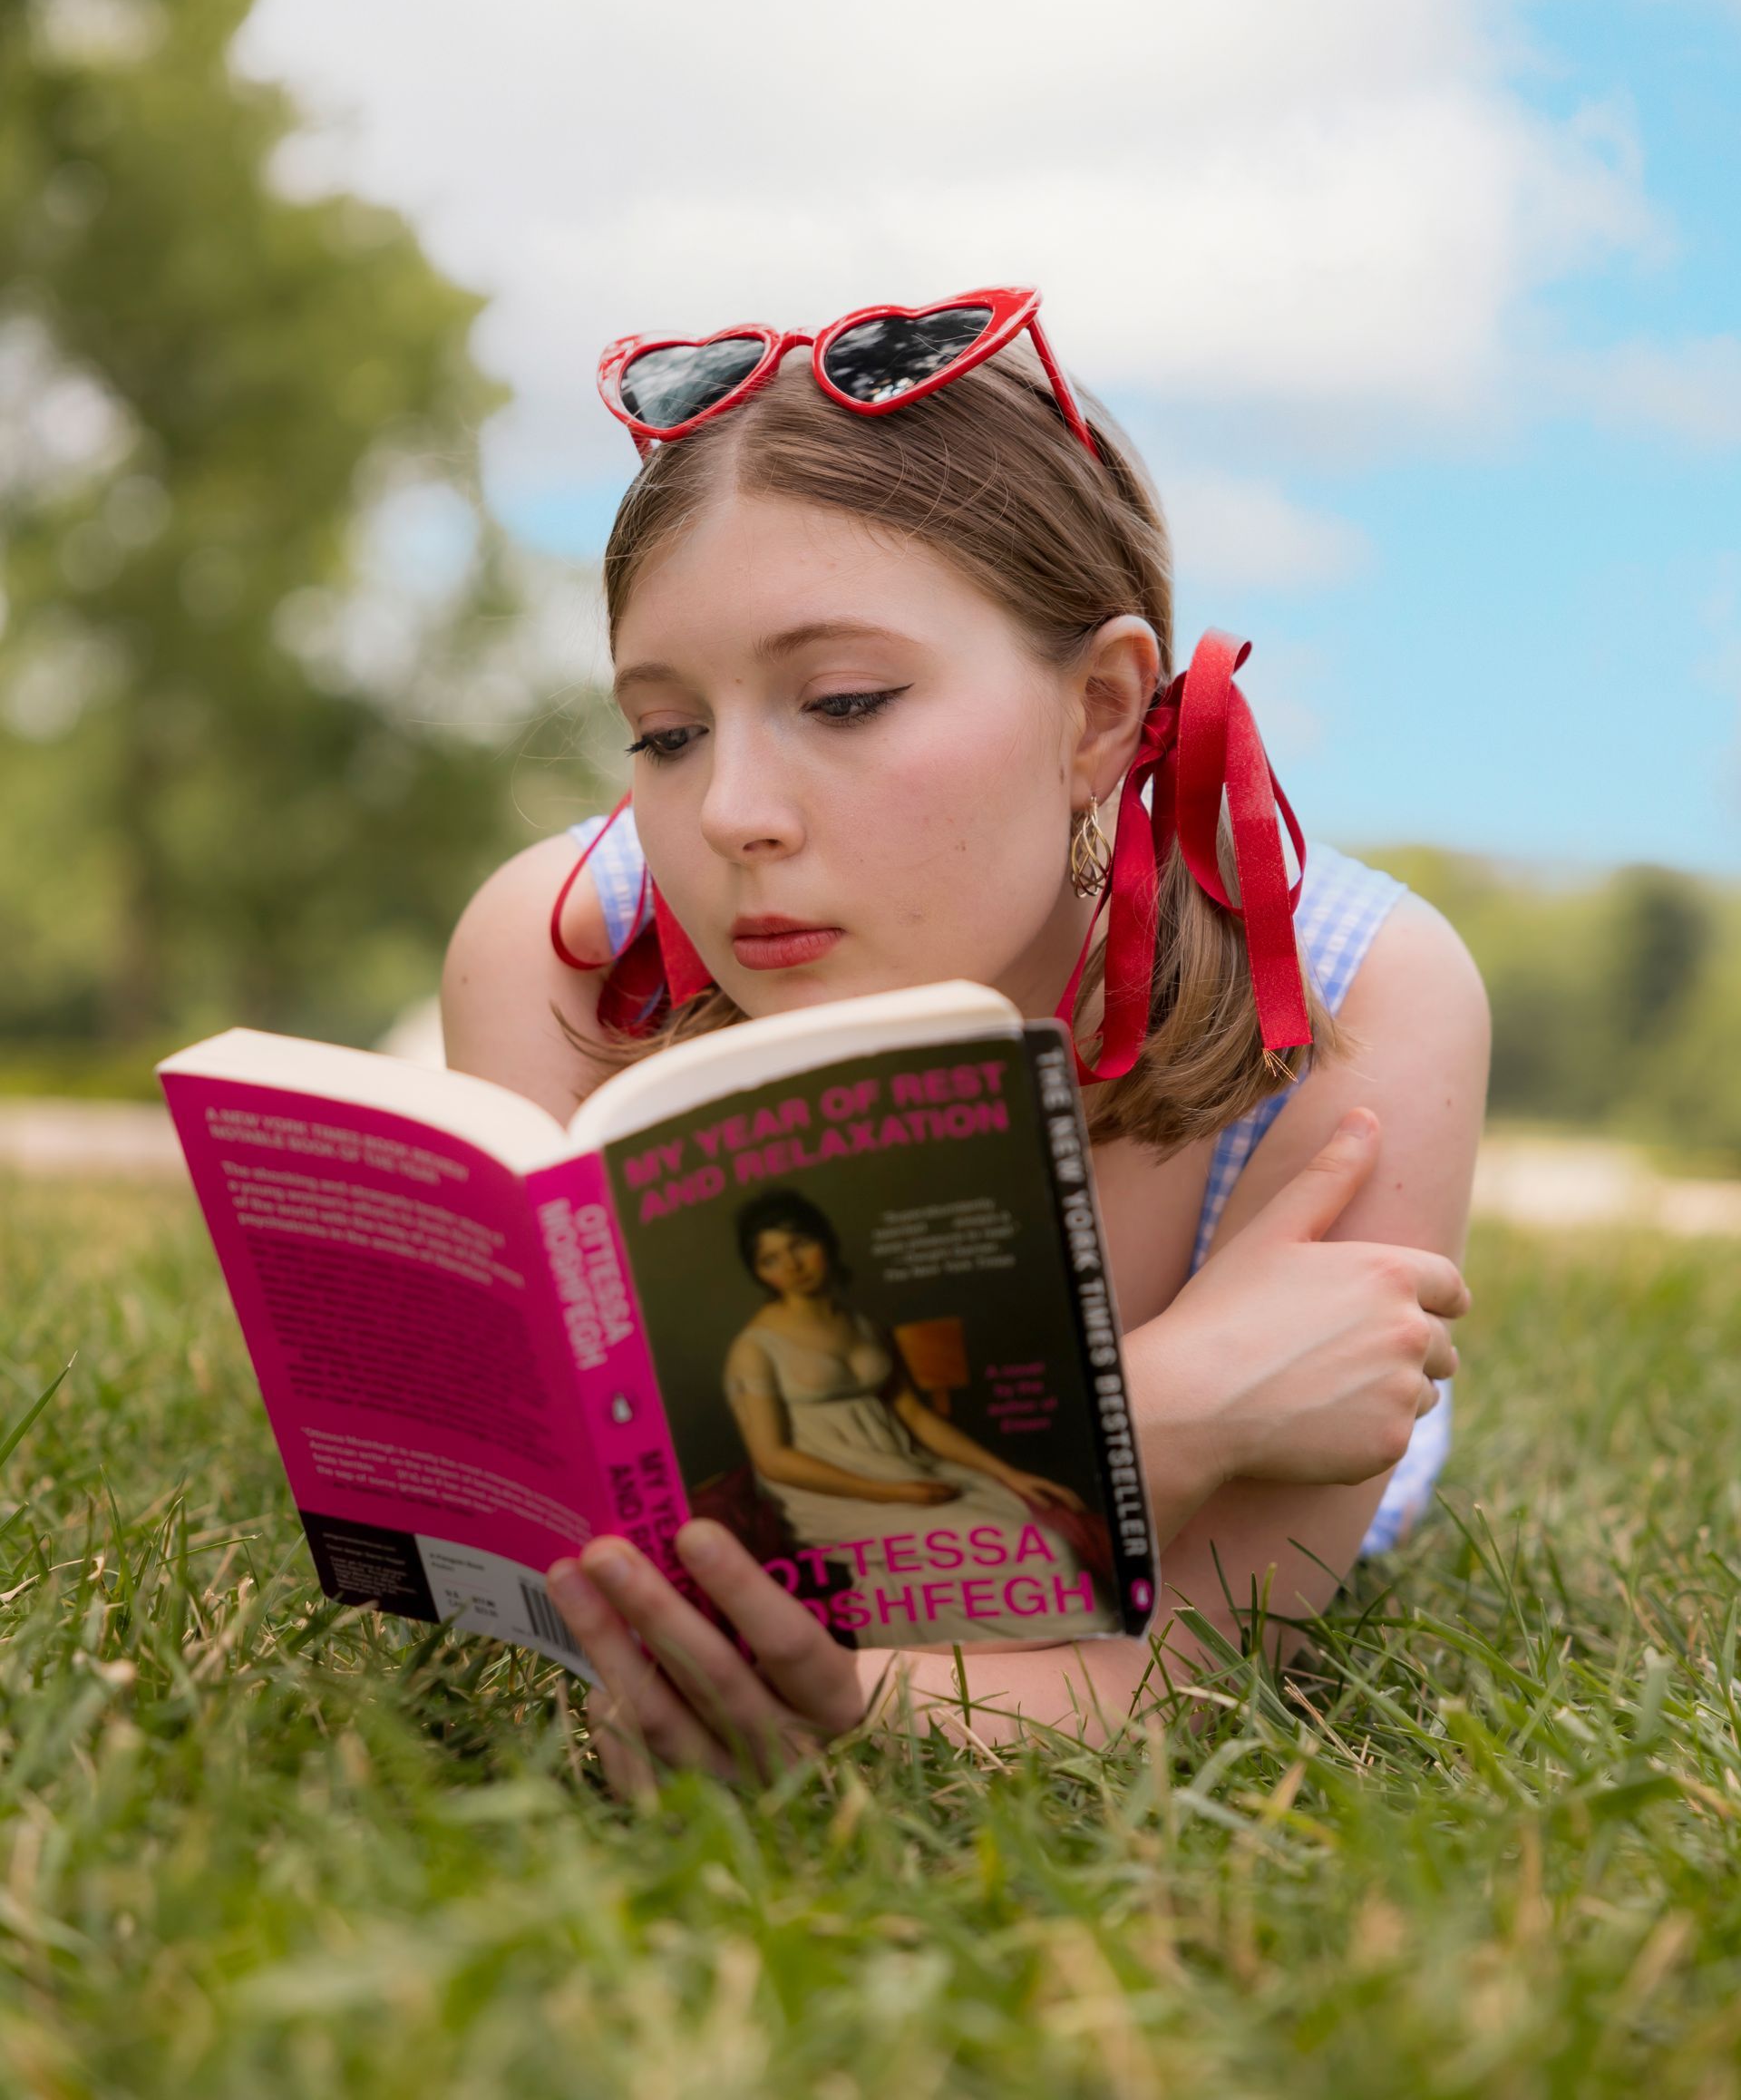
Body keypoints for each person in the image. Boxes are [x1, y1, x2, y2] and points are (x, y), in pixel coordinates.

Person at [443, 290, 1487, 1793]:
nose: (732, 811)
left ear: (1101, 713)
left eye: (845, 700)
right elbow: (607, 1566)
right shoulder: (566, 951)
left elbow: (1190, 1661)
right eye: (666, 732)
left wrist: (855, 1713)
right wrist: (1168, 1409)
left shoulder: (1350, 994)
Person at [722, 1190, 1112, 1644]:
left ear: (824, 1242)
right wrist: (892, 1493)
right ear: (759, 1272)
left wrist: (1009, 1473)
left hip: (904, 1466)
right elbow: (773, 1459)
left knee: (1031, 1518)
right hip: (827, 1493)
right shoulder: (754, 1348)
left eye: (799, 1246)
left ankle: (1066, 1665)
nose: (791, 1265)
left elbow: (916, 1417)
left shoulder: (864, 1325)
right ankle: (1072, 1664)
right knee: (1040, 1552)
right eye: (771, 1259)